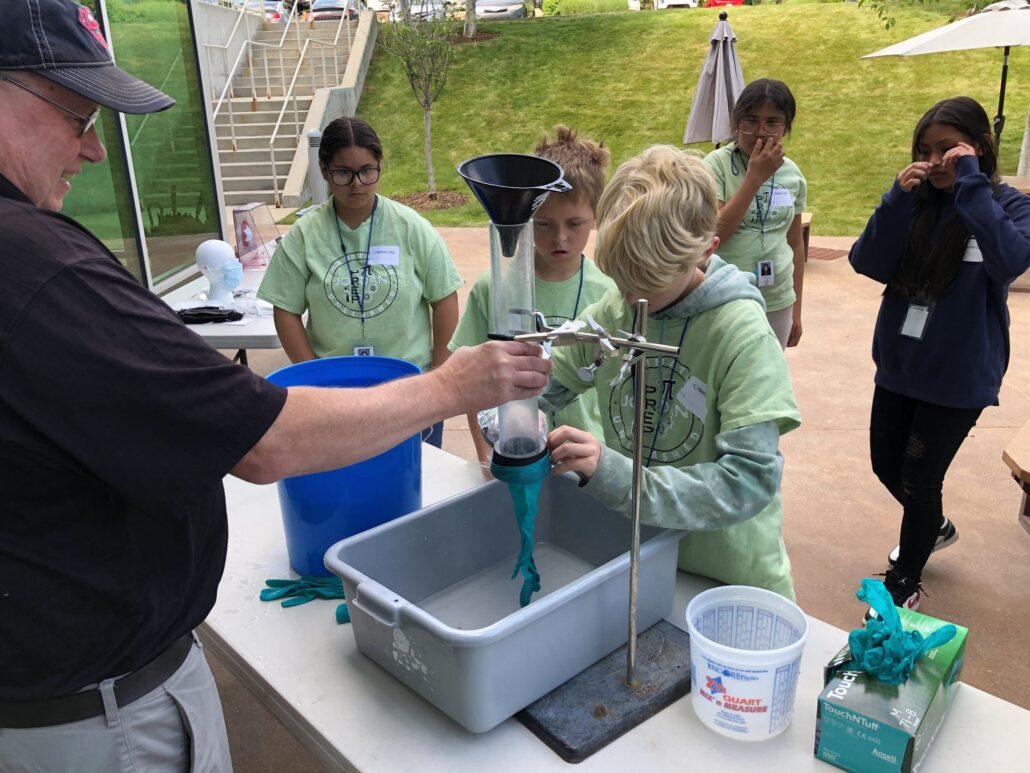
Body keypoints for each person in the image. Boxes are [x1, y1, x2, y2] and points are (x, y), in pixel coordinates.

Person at [0, 2, 550, 769]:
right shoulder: (34, 265)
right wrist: (453, 385)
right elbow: (264, 442)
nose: (94, 149)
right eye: (78, 117)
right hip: (103, 719)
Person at [543, 145, 801, 598]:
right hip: (637, 556)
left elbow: (748, 481)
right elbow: (549, 385)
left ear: (706, 250)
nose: (631, 298)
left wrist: (617, 476)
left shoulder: (743, 336)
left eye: (648, 281)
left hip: (724, 577)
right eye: (622, 278)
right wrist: (515, 410)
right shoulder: (615, 309)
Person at [848, 96, 1030, 615]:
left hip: (958, 375)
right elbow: (866, 261)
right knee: (886, 464)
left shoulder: (1008, 206)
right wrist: (895, 201)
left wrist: (971, 182)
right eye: (925, 150)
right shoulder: (915, 203)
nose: (934, 161)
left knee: (920, 478)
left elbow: (1011, 261)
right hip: (900, 366)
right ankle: (933, 526)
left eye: (947, 149)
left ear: (979, 147)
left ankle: (904, 581)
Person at [258, 116, 463, 448]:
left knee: (418, 474)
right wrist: (312, 375)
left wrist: (439, 371)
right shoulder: (305, 235)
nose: (357, 184)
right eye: (343, 173)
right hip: (334, 395)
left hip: (410, 389)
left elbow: (444, 297)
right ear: (324, 171)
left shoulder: (410, 227)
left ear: (379, 165)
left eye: (367, 171)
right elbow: (285, 309)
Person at [449, 125, 617, 475]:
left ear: (596, 217)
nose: (560, 237)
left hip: (584, 461)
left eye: (575, 223)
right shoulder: (492, 288)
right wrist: (486, 456)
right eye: (544, 224)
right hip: (512, 458)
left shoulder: (609, 293)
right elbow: (474, 379)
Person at [704, 78, 808, 349]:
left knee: (770, 372)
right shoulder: (715, 165)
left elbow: (795, 243)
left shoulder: (792, 173)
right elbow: (712, 235)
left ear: (785, 127)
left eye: (772, 123)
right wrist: (754, 178)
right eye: (750, 121)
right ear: (736, 124)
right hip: (725, 297)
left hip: (778, 299)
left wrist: (796, 308)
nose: (761, 132)